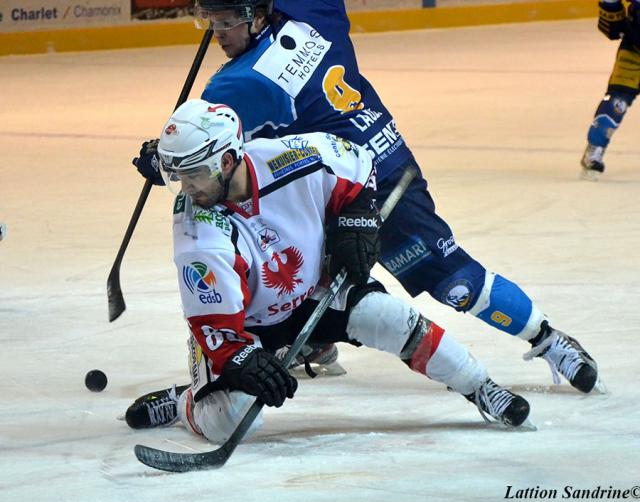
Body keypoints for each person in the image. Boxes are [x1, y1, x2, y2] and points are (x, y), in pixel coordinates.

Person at [133, 0, 600, 395]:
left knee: (452, 279)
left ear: (258, 15)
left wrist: (160, 159)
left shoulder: (236, 85)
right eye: (209, 21)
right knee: (278, 257)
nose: (217, 33)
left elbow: (205, 147)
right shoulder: (312, 9)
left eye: (226, 21)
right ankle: (312, 339)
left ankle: (547, 336)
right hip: (342, 177)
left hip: (370, 181)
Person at [125, 99, 533, 442]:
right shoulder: (198, 233)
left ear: (229, 159)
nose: (187, 189)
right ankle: (186, 403)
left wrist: (356, 219)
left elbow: (358, 162)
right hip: (246, 325)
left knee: (393, 318)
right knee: (233, 421)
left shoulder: (293, 157)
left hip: (314, 291)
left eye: (194, 175)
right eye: (178, 177)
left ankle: (481, 387)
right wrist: (243, 360)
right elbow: (215, 324)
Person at [581, 0, 640, 179]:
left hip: (633, 50)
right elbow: (613, 28)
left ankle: (594, 151)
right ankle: (594, 150)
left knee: (617, 101)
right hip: (634, 51)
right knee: (617, 101)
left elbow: (613, 28)